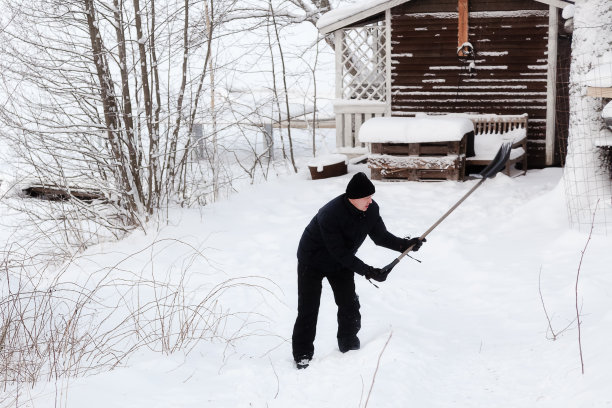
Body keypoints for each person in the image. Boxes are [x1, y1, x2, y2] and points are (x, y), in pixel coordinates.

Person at [292, 172, 425, 369]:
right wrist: (368, 271)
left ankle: (348, 343)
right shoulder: (329, 214)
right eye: (367, 197)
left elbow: (380, 237)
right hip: (312, 260)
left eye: (371, 196)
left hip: (340, 261)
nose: (371, 201)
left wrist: (405, 245)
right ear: (353, 198)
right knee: (308, 308)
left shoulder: (371, 209)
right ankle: (303, 353)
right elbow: (339, 253)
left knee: (349, 303)